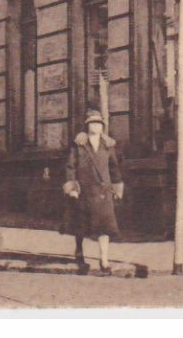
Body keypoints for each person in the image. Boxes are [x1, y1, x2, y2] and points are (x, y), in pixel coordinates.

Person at [63, 110, 125, 274]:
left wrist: (117, 186)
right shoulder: (79, 145)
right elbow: (70, 166)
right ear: (87, 125)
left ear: (102, 126)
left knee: (105, 228)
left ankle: (104, 261)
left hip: (103, 191)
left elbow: (114, 168)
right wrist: (72, 187)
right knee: (81, 225)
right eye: (92, 123)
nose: (95, 126)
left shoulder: (108, 145)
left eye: (98, 123)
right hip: (84, 191)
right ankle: (79, 253)